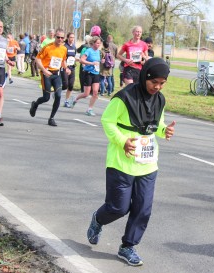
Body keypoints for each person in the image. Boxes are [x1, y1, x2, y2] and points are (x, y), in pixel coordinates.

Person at [86, 57, 175, 267]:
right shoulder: (124, 97)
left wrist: (165, 131)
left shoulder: (159, 100)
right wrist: (122, 141)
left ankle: (128, 246)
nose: (158, 87)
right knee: (118, 207)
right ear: (146, 76)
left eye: (162, 83)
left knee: (143, 208)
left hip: (147, 164)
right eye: (155, 82)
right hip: (121, 162)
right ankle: (98, 219)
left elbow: (156, 126)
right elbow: (107, 121)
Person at [29, 28, 70, 126]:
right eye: (58, 37)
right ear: (55, 37)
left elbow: (63, 60)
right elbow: (38, 59)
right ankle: (35, 104)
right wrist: (44, 70)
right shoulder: (48, 47)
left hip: (56, 74)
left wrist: (66, 68)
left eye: (62, 38)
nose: (60, 39)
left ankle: (51, 118)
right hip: (46, 74)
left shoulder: (64, 49)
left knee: (58, 95)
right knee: (46, 97)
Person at [71, 36, 101, 116]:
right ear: (93, 43)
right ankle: (75, 99)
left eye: (99, 43)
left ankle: (89, 109)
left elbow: (97, 61)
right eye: (97, 43)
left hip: (96, 73)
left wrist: (102, 61)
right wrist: (91, 63)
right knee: (86, 94)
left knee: (95, 93)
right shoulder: (89, 51)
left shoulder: (98, 51)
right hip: (88, 73)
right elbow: (82, 60)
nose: (99, 45)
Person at [62, 32, 77, 108]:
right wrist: (66, 68)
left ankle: (66, 101)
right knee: (65, 85)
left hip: (72, 68)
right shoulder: (65, 47)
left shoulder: (74, 47)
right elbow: (63, 58)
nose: (72, 39)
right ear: (68, 38)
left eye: (73, 37)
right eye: (71, 37)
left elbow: (74, 57)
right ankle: (56, 92)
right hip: (65, 68)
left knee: (71, 86)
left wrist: (77, 60)